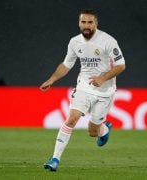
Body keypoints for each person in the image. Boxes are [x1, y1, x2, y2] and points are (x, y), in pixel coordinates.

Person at [39, 9, 126, 172]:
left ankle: (104, 129)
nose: (86, 25)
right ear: (79, 23)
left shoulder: (108, 41)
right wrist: (51, 79)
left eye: (90, 22)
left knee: (93, 132)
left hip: (105, 91)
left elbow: (121, 65)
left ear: (96, 24)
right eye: (83, 22)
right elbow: (66, 65)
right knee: (71, 119)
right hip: (84, 87)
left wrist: (102, 78)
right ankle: (55, 159)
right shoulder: (74, 42)